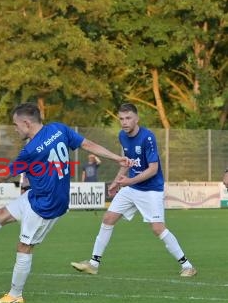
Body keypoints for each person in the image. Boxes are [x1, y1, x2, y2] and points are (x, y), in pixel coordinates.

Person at [0, 102, 130, 303]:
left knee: (24, 246)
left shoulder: (31, 150)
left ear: (26, 123)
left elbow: (6, 174)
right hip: (37, 195)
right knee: (1, 215)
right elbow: (88, 145)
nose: (15, 130)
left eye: (16, 125)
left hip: (46, 205)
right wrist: (116, 158)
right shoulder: (59, 129)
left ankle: (15, 295)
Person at [71, 103, 197, 278]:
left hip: (152, 189)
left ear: (137, 118)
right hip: (132, 187)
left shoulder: (148, 137)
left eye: (128, 118)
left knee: (158, 228)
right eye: (121, 119)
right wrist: (117, 182)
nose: (124, 122)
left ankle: (188, 266)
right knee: (108, 218)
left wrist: (129, 181)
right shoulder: (122, 136)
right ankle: (93, 264)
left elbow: (153, 169)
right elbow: (127, 162)